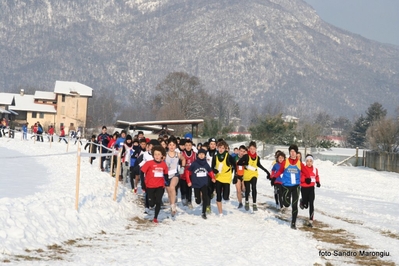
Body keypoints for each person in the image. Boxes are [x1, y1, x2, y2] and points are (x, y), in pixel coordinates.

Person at [271, 144, 309, 230]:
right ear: (289, 153)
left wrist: (308, 178)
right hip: (286, 186)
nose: (292, 153)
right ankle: (285, 204)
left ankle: (293, 223)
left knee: (294, 205)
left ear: (296, 153)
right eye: (291, 151)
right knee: (286, 204)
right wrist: (273, 178)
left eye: (294, 151)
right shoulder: (285, 162)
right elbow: (279, 171)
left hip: (296, 186)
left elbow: (306, 171)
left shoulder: (299, 163)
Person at [237, 141, 270, 212]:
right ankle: (246, 201)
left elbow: (259, 165)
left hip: (254, 174)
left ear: (256, 149)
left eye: (254, 149)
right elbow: (239, 163)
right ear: (248, 149)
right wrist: (245, 164)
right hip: (246, 175)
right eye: (251, 149)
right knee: (247, 189)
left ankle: (254, 203)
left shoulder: (257, 157)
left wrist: (267, 172)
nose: (252, 150)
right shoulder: (246, 156)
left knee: (254, 186)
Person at [140, 145, 168, 223]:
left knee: (158, 202)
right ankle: (152, 203)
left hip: (160, 186)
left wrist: (167, 182)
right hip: (150, 186)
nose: (157, 156)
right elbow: (142, 172)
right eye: (155, 154)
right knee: (152, 204)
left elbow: (166, 174)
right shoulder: (149, 163)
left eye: (159, 154)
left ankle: (155, 218)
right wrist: (143, 183)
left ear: (162, 155)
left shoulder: (163, 164)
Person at [187, 149, 216, 219]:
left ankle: (204, 212)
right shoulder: (194, 163)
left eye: (203, 154)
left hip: (204, 183)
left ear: (205, 155)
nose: (201, 155)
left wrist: (213, 177)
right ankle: (197, 198)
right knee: (198, 201)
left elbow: (210, 171)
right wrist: (188, 181)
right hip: (196, 183)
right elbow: (188, 171)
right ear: (198, 155)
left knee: (205, 197)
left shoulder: (206, 164)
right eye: (200, 154)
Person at [212, 140, 235, 216]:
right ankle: (220, 212)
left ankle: (225, 196)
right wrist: (214, 170)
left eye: (223, 148)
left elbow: (235, 165)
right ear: (217, 148)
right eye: (220, 148)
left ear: (225, 149)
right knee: (218, 195)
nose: (221, 149)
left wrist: (236, 175)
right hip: (218, 177)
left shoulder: (228, 156)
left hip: (226, 178)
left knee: (225, 197)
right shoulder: (215, 157)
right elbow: (212, 167)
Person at [164, 138, 185, 215]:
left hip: (175, 174)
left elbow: (183, 159)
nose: (172, 146)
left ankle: (173, 206)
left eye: (173, 145)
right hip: (167, 175)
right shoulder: (165, 155)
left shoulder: (178, 154)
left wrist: (182, 167)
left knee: (172, 187)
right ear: (167, 145)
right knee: (169, 193)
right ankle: (172, 205)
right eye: (170, 145)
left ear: (176, 146)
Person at [300, 154, 321, 227]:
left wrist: (318, 182)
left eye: (310, 161)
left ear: (312, 162)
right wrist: (305, 179)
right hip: (304, 188)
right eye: (307, 161)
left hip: (311, 188)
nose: (309, 162)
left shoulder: (315, 169)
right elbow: (300, 179)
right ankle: (302, 202)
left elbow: (317, 176)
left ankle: (311, 219)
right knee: (306, 205)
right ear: (305, 161)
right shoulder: (303, 169)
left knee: (311, 203)